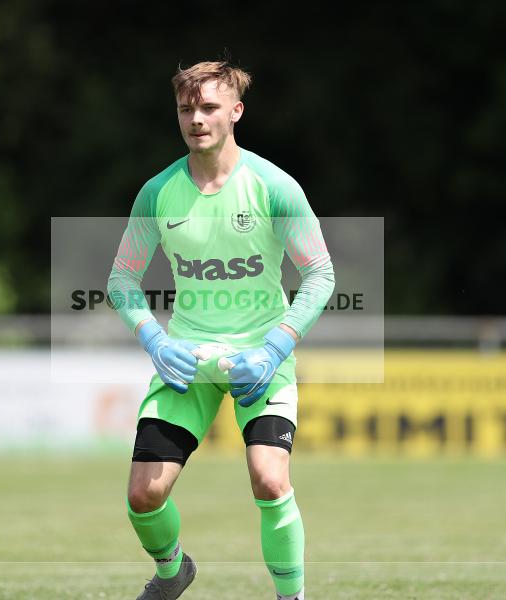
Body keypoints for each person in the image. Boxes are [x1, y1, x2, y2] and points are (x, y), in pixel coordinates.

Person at [107, 60, 335, 600]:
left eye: (209, 107)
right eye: (186, 108)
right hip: (186, 360)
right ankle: (172, 573)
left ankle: (291, 597)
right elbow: (122, 278)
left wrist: (277, 346)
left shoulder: (275, 187)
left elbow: (320, 274)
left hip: (262, 360)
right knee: (144, 496)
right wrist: (154, 339)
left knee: (270, 478)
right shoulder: (158, 192)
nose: (196, 118)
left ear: (236, 112)